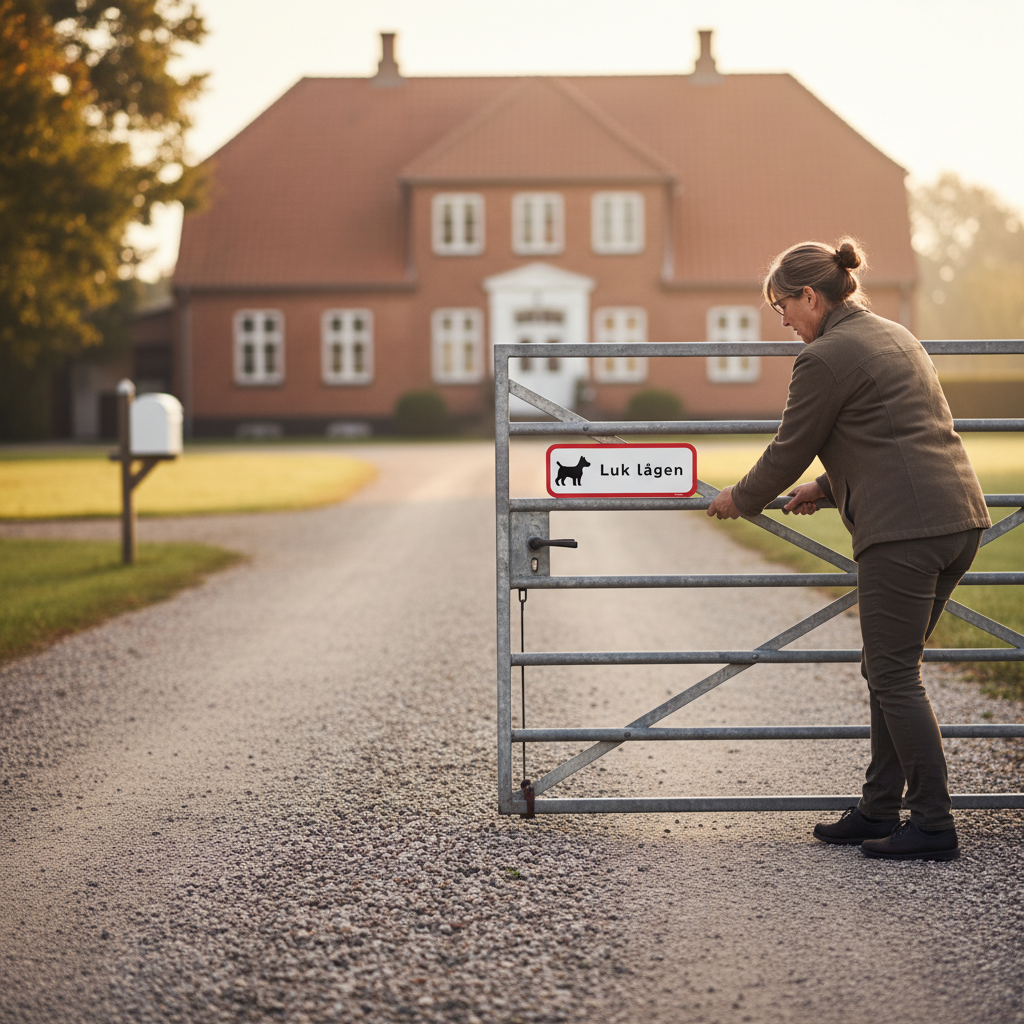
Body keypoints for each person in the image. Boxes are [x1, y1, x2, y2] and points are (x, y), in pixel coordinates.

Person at [707, 238, 991, 862]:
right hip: (957, 522)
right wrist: (827, 486)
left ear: (811, 295)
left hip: (905, 532)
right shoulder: (896, 335)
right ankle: (879, 808)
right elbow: (896, 435)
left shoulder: (825, 357)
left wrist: (741, 498)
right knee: (887, 668)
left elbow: (789, 447)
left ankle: (934, 824)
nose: (782, 322)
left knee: (892, 672)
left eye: (782, 306)